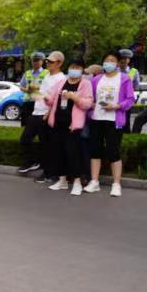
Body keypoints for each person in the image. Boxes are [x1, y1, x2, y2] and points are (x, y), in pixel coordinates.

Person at [85, 52, 135, 197]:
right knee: (95, 150)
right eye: (106, 60)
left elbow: (131, 99)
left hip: (114, 120)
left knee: (113, 151)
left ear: (118, 63)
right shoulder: (97, 79)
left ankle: (116, 184)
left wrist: (117, 106)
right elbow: (91, 97)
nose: (109, 63)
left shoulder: (124, 79)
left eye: (112, 61)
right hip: (96, 118)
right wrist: (91, 104)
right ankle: (94, 182)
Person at [44, 59, 94, 196]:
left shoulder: (85, 84)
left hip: (73, 125)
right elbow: (52, 100)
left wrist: (74, 97)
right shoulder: (61, 82)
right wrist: (44, 98)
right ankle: (62, 180)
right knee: (58, 152)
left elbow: (88, 104)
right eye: (72, 66)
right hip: (58, 122)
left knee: (72, 153)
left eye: (77, 67)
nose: (74, 69)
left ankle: (77, 182)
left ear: (82, 69)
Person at [29, 52, 67, 185]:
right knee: (30, 140)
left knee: (49, 146)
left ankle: (50, 174)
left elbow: (57, 99)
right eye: (47, 61)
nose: (48, 64)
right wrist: (33, 92)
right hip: (37, 112)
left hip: (47, 114)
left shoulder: (62, 79)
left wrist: (49, 113)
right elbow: (41, 94)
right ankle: (39, 166)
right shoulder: (46, 75)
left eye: (51, 62)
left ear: (59, 63)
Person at [16, 52, 49, 173]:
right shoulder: (28, 73)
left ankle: (41, 163)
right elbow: (22, 86)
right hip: (28, 104)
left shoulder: (47, 73)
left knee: (42, 136)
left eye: (38, 60)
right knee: (26, 135)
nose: (35, 62)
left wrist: (38, 91)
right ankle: (32, 161)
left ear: (43, 61)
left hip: (41, 105)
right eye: (34, 60)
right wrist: (28, 90)